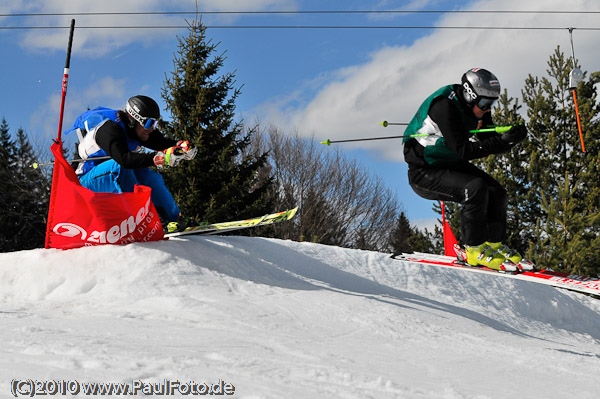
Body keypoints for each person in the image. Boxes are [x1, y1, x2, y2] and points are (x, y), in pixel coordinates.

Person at [402, 68, 533, 272]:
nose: (487, 108)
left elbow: (485, 139)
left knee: (497, 192)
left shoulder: (479, 107)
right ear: (470, 96)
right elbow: (465, 150)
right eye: (484, 104)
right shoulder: (444, 107)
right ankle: (473, 249)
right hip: (424, 171)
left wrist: (510, 138)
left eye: (492, 103)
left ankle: (492, 245)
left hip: (448, 161)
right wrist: (501, 142)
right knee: (475, 188)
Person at [71, 95, 198, 233]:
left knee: (149, 176)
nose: (152, 129)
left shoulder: (139, 130)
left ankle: (174, 219)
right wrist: (157, 158)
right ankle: (145, 221)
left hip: (107, 176)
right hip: (83, 183)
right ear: (133, 120)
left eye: (155, 124)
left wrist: (181, 146)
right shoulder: (109, 129)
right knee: (120, 168)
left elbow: (161, 143)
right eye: (150, 124)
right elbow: (124, 160)